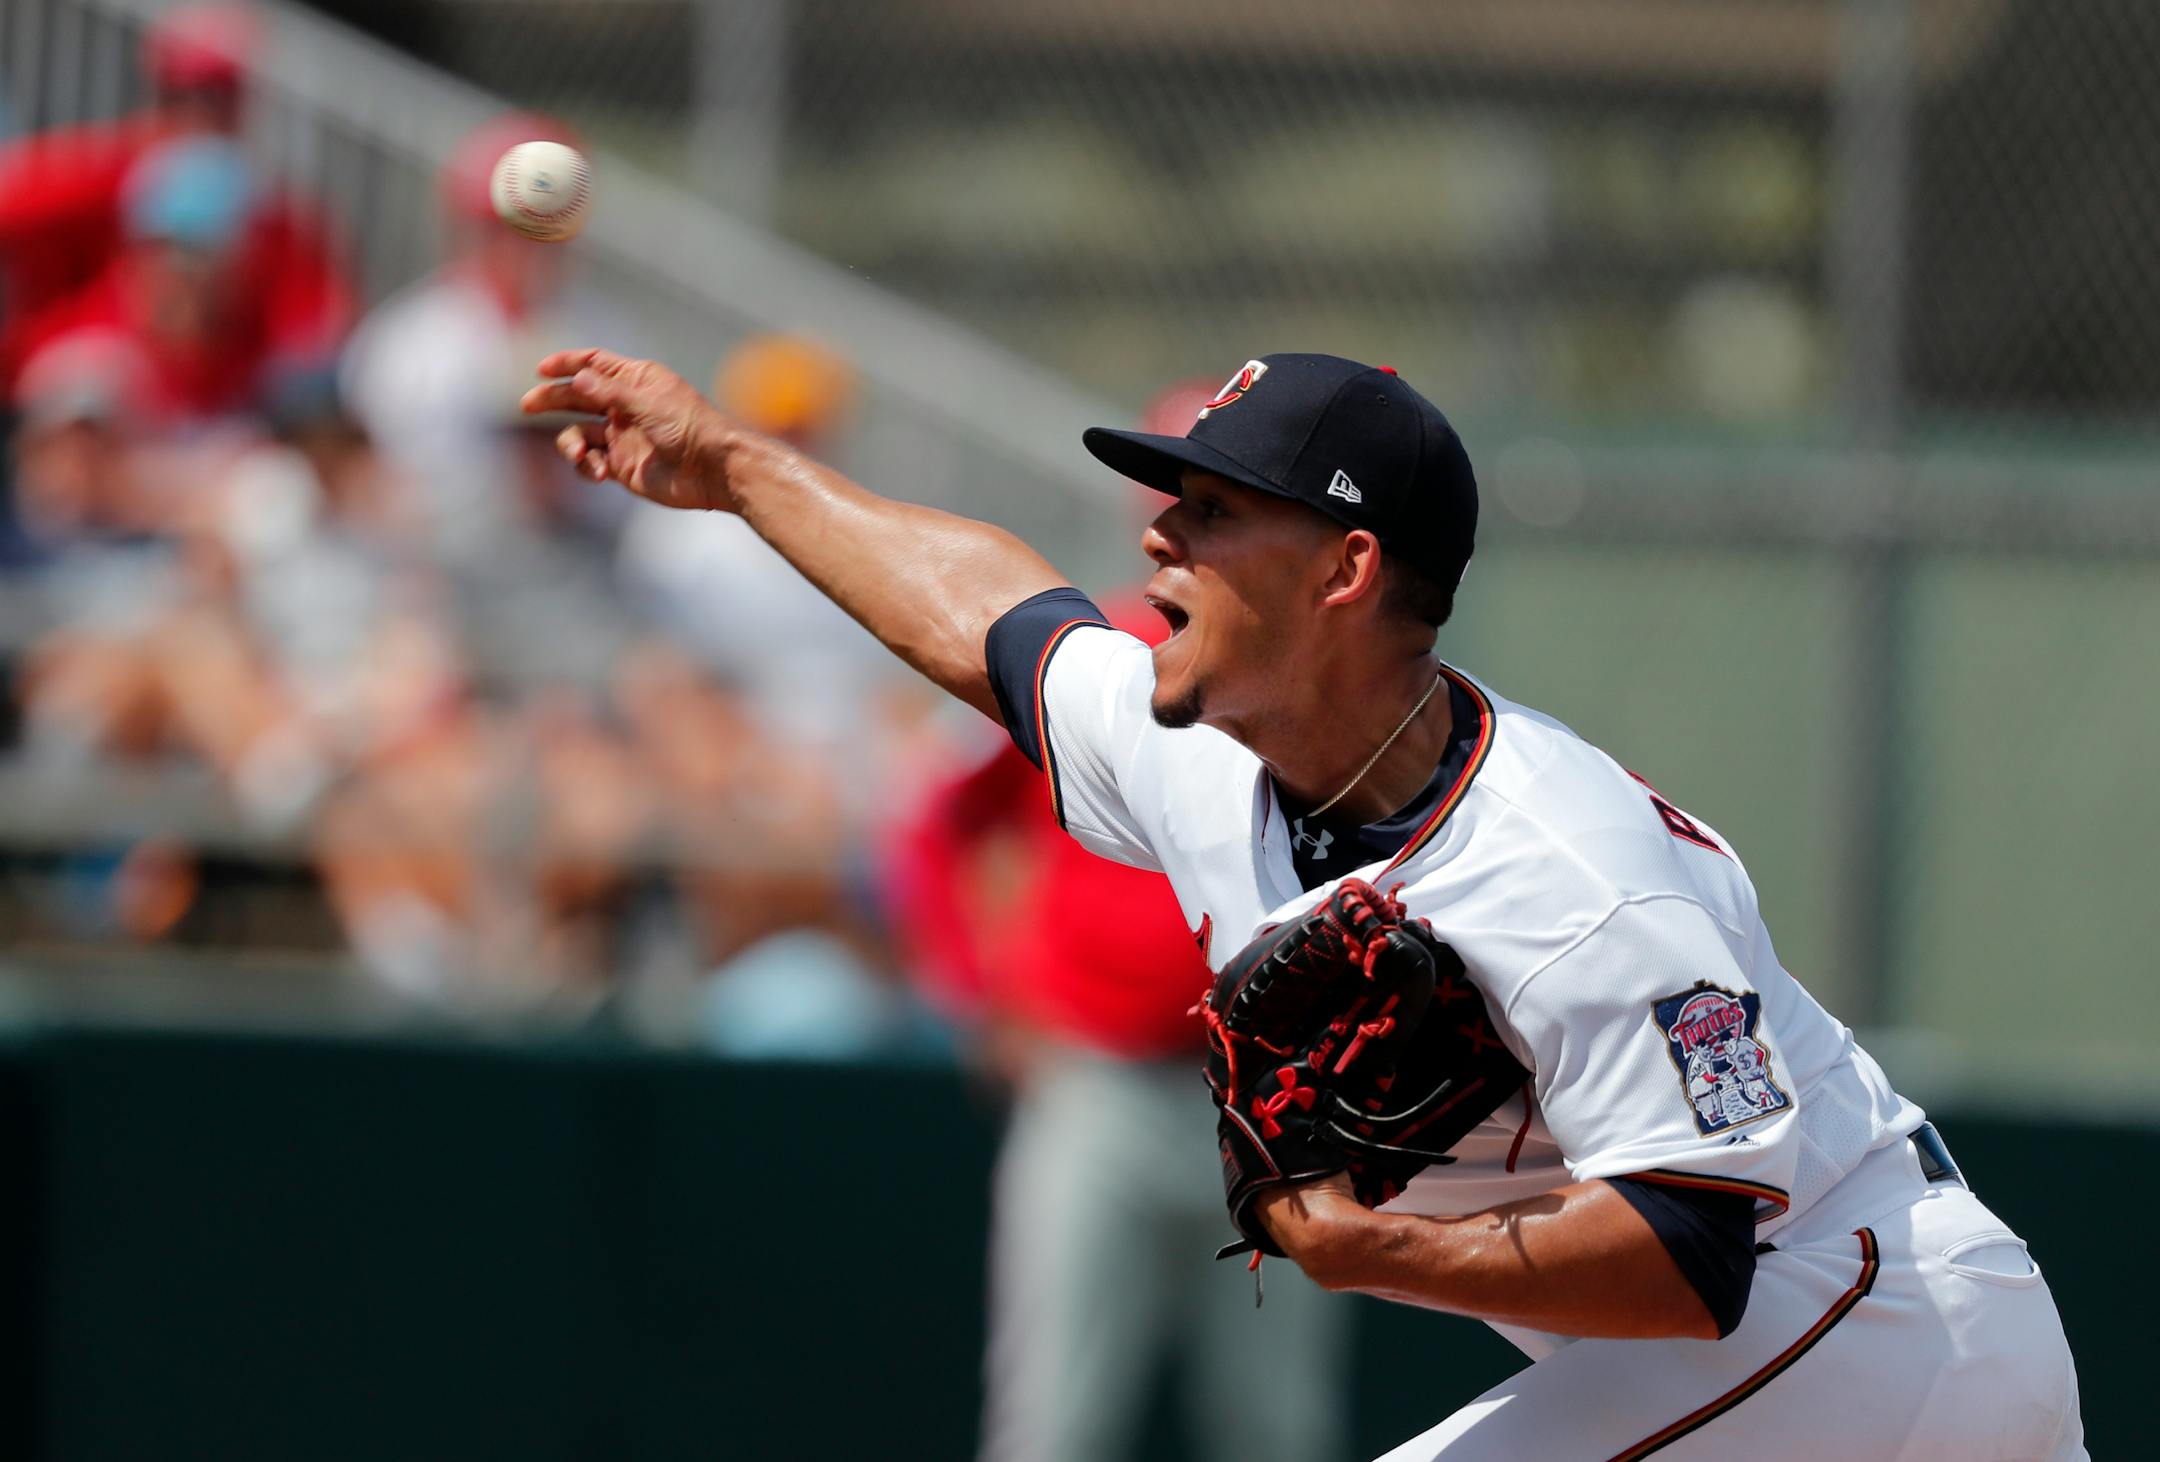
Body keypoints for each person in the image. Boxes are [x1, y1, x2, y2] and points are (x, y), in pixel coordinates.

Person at [521, 347, 2085, 1459]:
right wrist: (732, 465)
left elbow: (1694, 1252)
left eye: (1211, 508)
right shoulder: (1210, 753)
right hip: (1770, 1363)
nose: (1156, 534)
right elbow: (986, 615)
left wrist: (1369, 1249)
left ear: (1344, 571)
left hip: (1871, 1323)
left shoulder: (1569, 869)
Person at [889, 597, 1346, 1462]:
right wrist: (976, 992)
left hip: (1275, 1103)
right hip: (1099, 1084)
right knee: (1056, 1424)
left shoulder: (1325, 684)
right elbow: (932, 824)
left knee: (1277, 1428)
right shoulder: (1093, 663)